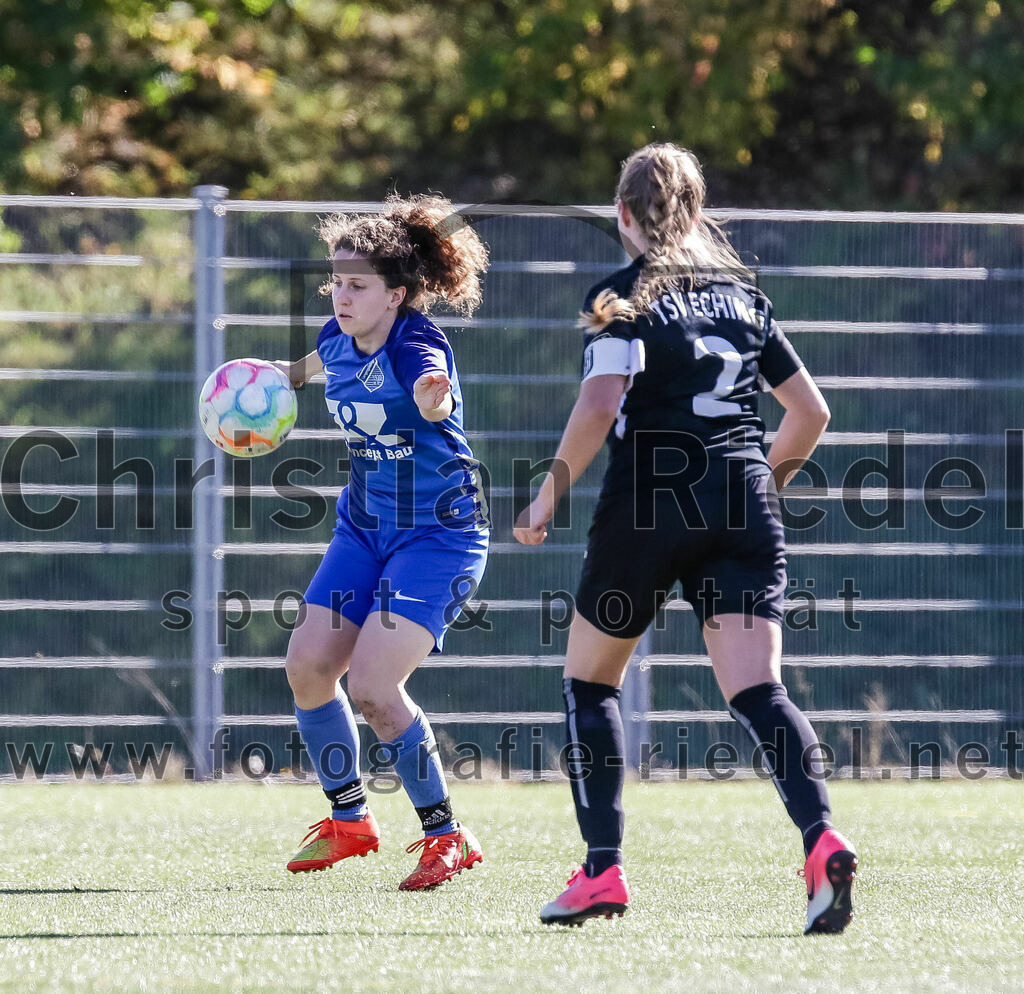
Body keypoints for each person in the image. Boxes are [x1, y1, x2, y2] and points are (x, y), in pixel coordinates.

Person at [514, 143, 857, 932]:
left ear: (623, 215)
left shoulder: (619, 296)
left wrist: (545, 497)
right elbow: (810, 414)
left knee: (591, 684)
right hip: (743, 497)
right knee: (758, 692)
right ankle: (822, 839)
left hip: (647, 504)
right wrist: (756, 488)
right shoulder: (746, 298)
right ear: (699, 214)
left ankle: (602, 873)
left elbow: (601, 406)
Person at [275, 194, 490, 891]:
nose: (342, 294)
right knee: (308, 665)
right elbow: (300, 372)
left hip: (440, 536)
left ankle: (445, 835)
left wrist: (435, 398)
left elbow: (436, 396)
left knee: (372, 684)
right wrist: (258, 386)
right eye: (336, 281)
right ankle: (349, 820)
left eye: (358, 284)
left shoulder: (417, 345)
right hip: (365, 528)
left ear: (397, 294)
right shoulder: (338, 341)